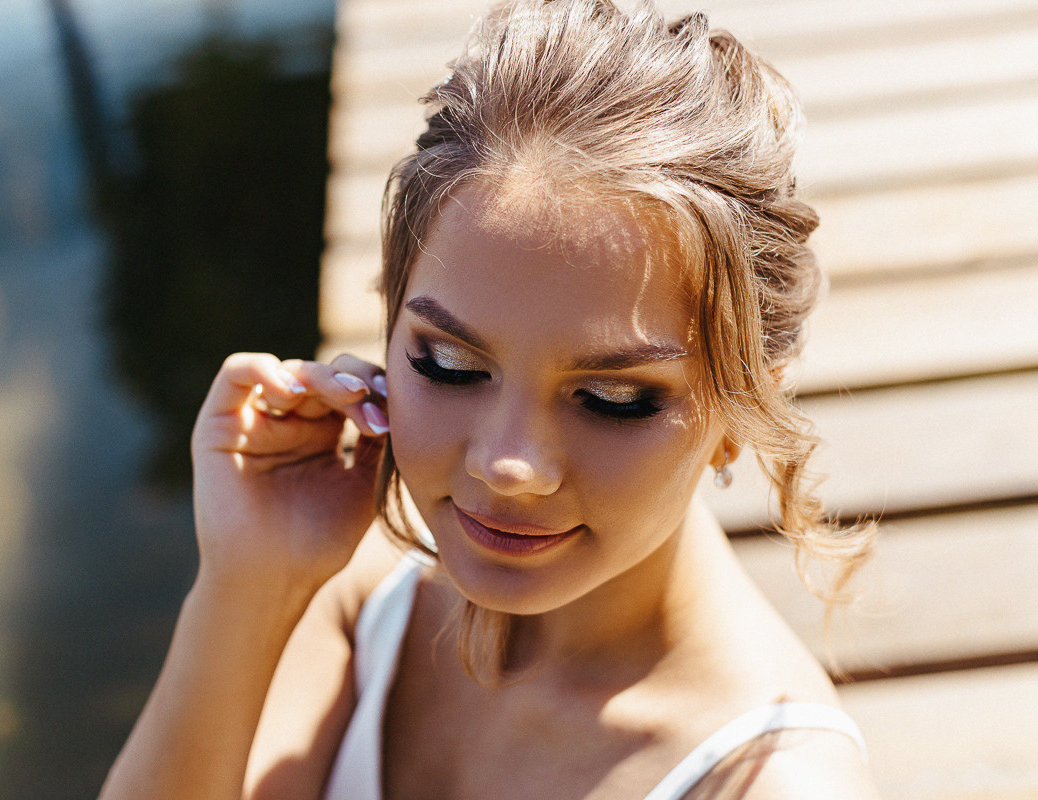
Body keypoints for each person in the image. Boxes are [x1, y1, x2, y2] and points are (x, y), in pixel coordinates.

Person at [98, 1, 879, 797]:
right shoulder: (366, 584)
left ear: (738, 415)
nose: (510, 464)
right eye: (446, 362)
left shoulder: (766, 783)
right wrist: (248, 584)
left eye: (611, 397)